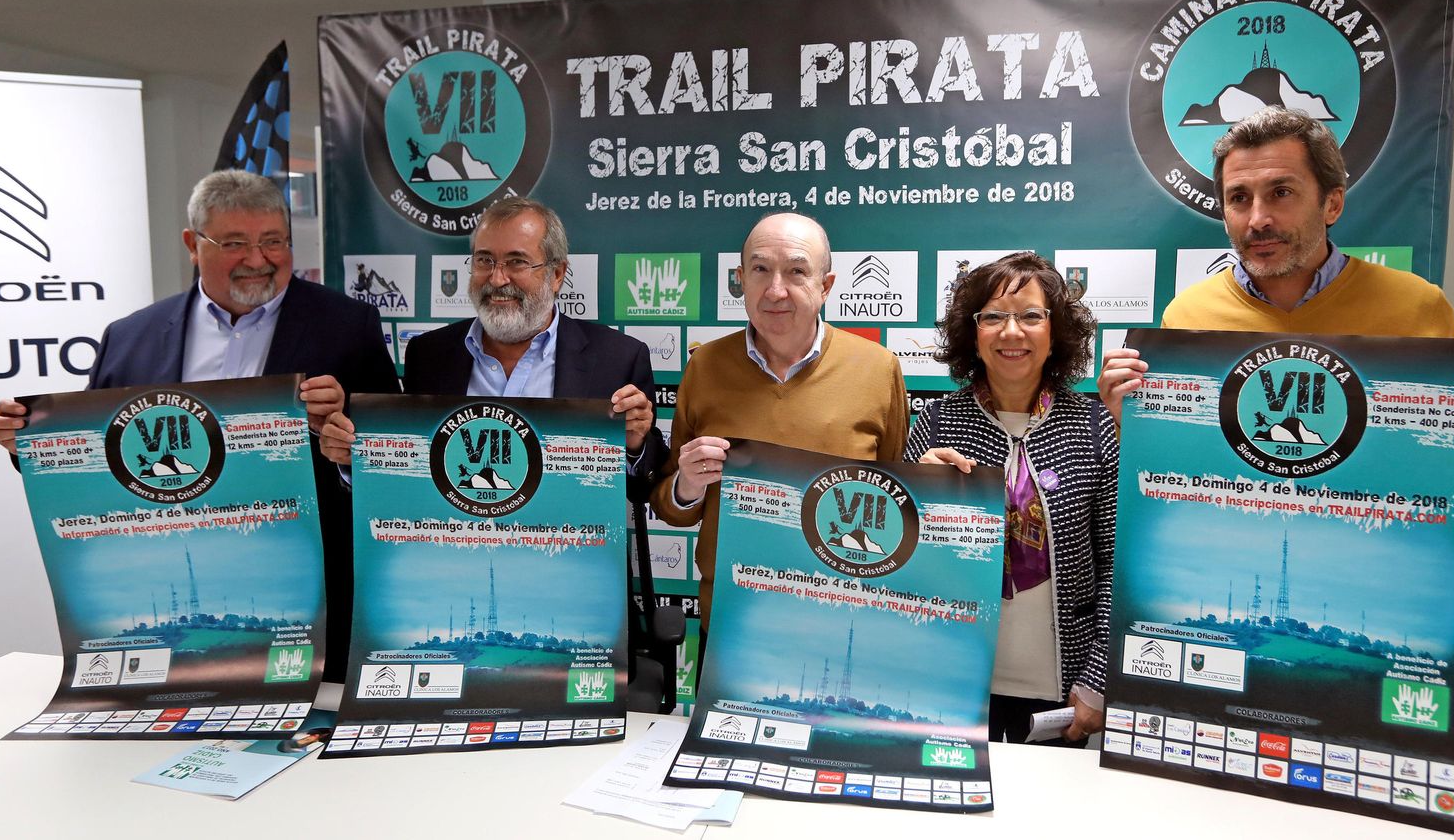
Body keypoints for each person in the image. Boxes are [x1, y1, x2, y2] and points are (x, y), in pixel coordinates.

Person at [0, 170, 400, 682]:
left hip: (306, 598)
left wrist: (346, 426)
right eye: (234, 243)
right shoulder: (129, 338)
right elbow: (96, 456)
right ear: (192, 244)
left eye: (274, 241)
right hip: (161, 592)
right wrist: (25, 444)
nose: (257, 259)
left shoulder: (348, 328)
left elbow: (390, 456)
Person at [1098, 106, 1454, 474]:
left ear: (1332, 203)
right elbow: (1179, 463)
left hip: (1363, 561)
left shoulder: (1415, 306)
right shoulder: (1188, 315)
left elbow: (1446, 471)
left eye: (1281, 192)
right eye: (1238, 198)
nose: (1257, 219)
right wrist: (1134, 422)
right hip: (1230, 558)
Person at [650, 212, 908, 638]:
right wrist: (687, 486)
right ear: (741, 281)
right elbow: (668, 506)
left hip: (846, 619)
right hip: (734, 620)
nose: (775, 290)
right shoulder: (705, 367)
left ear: (825, 286)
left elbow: (895, 498)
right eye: (761, 270)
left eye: (796, 271)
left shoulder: (878, 369)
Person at [318, 197, 664, 500]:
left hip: (566, 563)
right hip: (451, 561)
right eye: (484, 260)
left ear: (557, 274)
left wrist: (634, 445)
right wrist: (353, 461)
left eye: (516, 262)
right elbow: (409, 478)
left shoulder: (617, 358)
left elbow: (644, 490)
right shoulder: (429, 354)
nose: (497, 279)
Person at [906, 253, 1116, 745]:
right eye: (993, 316)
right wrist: (917, 499)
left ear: (1055, 331)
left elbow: (1115, 566)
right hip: (952, 685)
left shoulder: (1092, 424)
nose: (1012, 332)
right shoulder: (936, 423)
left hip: (1059, 694)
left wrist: (1096, 682)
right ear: (972, 334)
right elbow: (900, 564)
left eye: (1030, 315)